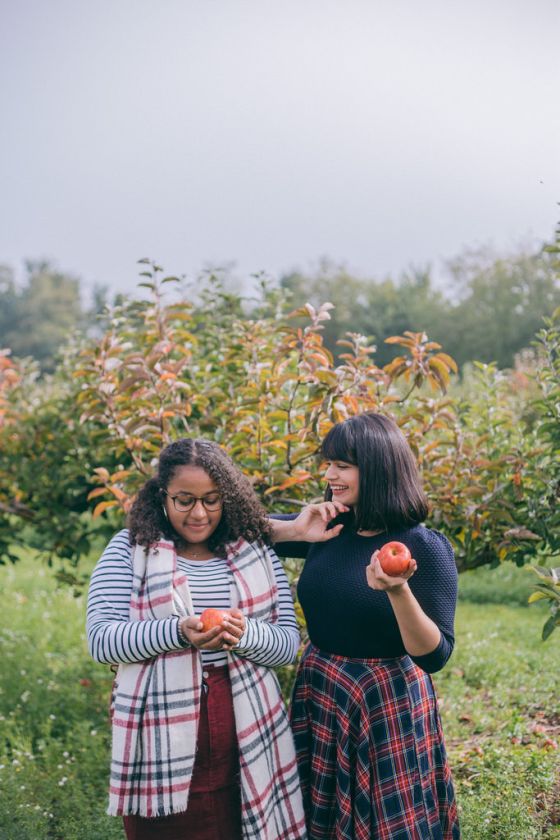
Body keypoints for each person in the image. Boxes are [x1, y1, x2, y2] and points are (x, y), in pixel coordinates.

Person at [86, 438, 307, 840]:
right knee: (168, 827)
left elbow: (286, 645)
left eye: (211, 499)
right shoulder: (129, 550)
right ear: (162, 496)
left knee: (237, 820)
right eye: (184, 500)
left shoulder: (254, 551)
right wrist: (178, 632)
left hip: (243, 715)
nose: (199, 513)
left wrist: (244, 634)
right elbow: (102, 639)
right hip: (160, 720)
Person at [270, 412, 460, 840]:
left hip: (384, 700)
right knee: (320, 808)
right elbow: (238, 528)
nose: (330, 474)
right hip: (322, 685)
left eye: (342, 464)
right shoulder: (331, 527)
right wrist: (294, 529)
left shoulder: (423, 547)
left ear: (377, 467)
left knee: (382, 821)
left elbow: (435, 655)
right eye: (329, 463)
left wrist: (397, 591)